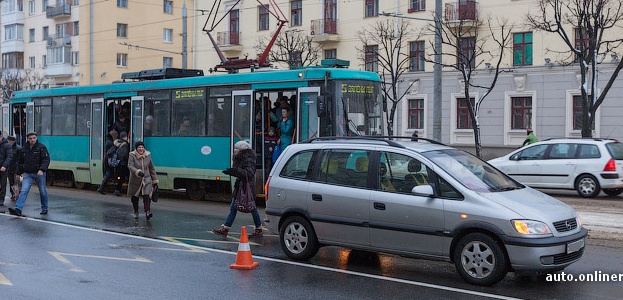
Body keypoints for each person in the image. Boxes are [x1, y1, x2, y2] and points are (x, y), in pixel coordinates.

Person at [212, 141, 263, 238]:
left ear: (242, 150)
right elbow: (242, 173)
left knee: (252, 208)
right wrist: (232, 172)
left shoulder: (248, 160)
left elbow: (249, 173)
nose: (235, 150)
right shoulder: (241, 158)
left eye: (237, 148)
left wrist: (236, 171)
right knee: (235, 207)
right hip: (241, 186)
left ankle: (258, 228)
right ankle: (226, 228)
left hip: (245, 187)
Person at [8, 132, 50, 216]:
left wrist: (42, 169)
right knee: (23, 191)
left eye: (34, 138)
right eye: (30, 138)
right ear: (27, 139)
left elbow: (46, 159)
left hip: (39, 173)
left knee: (43, 191)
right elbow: (20, 161)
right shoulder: (24, 149)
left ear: (36, 138)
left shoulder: (41, 148)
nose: (32, 140)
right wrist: (18, 172)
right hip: (28, 173)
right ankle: (18, 209)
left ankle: (44, 208)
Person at [127, 141, 158, 220]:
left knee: (147, 195)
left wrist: (154, 180)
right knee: (135, 196)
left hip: (146, 178)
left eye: (142, 147)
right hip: (135, 179)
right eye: (139, 147)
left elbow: (151, 168)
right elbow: (130, 166)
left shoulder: (148, 155)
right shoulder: (132, 155)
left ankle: (147, 212)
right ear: (136, 148)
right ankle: (136, 211)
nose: (141, 149)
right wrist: (137, 171)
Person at [97, 130, 118, 194]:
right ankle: (101, 188)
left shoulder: (108, 141)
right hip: (108, 160)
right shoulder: (110, 143)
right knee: (108, 174)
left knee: (107, 174)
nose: (117, 136)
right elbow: (110, 152)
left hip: (106, 159)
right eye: (116, 135)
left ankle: (101, 188)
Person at [113, 132, 130, 196]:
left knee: (122, 177)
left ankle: (117, 190)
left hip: (119, 163)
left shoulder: (118, 143)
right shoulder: (125, 144)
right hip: (123, 164)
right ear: (125, 137)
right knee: (122, 178)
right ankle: (117, 190)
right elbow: (124, 155)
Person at [0, 131, 14, 206]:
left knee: (3, 183)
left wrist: (4, 166)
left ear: (1, 137)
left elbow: (9, 156)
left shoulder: (7, 145)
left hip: (3, 168)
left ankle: (1, 198)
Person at [7, 136, 22, 202]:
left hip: (16, 168)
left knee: (16, 183)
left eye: (10, 141)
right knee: (11, 182)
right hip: (9, 168)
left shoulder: (18, 148)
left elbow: (20, 159)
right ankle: (13, 194)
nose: (9, 142)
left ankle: (16, 195)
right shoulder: (7, 147)